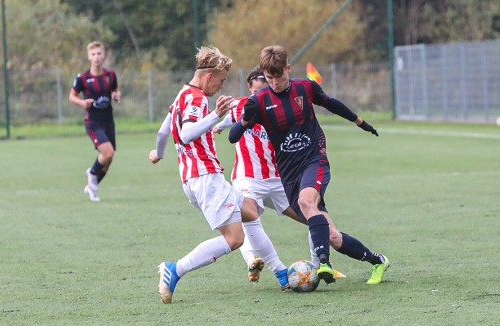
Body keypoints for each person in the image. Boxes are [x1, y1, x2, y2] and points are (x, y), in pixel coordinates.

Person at [228, 45, 389, 285]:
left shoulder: (305, 88)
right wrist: (244, 120)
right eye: (269, 78)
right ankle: (378, 261)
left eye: (279, 76)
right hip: (288, 173)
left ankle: (323, 263)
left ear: (288, 69)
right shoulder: (259, 101)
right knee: (332, 235)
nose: (275, 83)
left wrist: (359, 121)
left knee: (306, 202)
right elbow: (233, 136)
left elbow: (331, 103)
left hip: (315, 159)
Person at [148, 46, 289, 304]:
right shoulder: (197, 98)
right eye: (222, 80)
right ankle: (174, 269)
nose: (221, 87)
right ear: (209, 76)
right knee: (235, 239)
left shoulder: (181, 94)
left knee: (251, 211)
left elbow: (162, 132)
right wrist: (216, 114)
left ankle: (281, 272)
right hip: (205, 177)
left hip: (196, 178)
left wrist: (158, 153)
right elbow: (189, 132)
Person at [213, 66, 346, 283]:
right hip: (249, 179)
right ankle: (259, 263)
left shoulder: (278, 106)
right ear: (249, 88)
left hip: (279, 179)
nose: (261, 95)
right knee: (246, 218)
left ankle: (318, 266)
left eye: (265, 89)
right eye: (256, 91)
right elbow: (225, 121)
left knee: (313, 216)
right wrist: (217, 126)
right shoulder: (241, 107)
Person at [69, 41, 121, 202]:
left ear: (103, 56)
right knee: (108, 152)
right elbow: (72, 96)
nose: (96, 57)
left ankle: (92, 186)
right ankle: (91, 173)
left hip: (108, 121)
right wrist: (82, 103)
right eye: (93, 54)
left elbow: (114, 89)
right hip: (93, 122)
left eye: (99, 54)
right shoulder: (83, 78)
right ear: (89, 57)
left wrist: (116, 95)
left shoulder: (110, 75)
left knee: (109, 159)